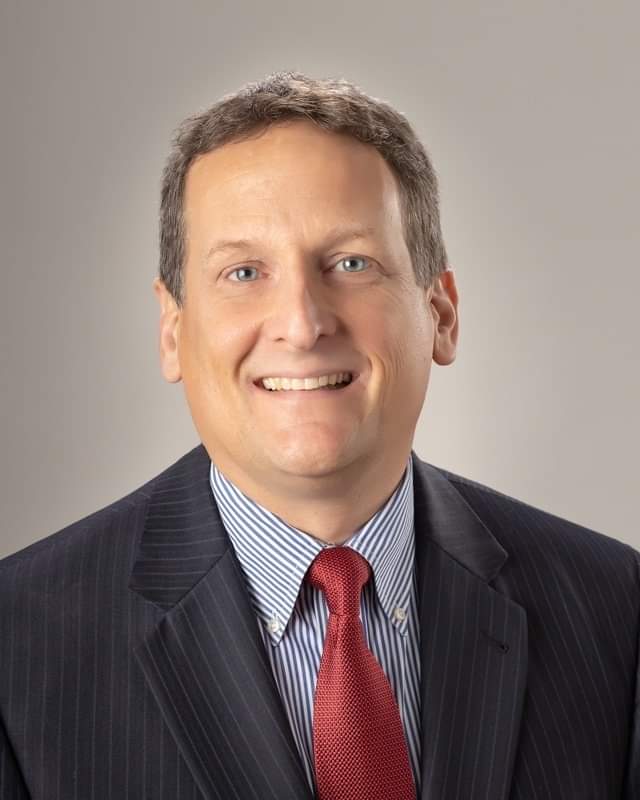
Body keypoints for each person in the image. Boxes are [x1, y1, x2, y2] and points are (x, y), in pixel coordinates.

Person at [0, 71, 637, 800]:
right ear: (173, 331)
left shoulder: (613, 609)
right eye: (244, 272)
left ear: (441, 314)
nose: (302, 324)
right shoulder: (17, 645)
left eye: (351, 263)